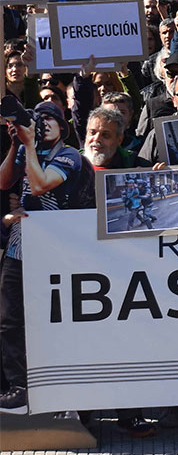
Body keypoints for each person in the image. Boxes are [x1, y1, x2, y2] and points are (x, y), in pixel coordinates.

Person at [0, 101, 88, 414]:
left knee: (51, 320)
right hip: (19, 245)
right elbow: (3, 181)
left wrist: (29, 147)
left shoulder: (69, 155)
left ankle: (61, 391)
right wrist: (16, 144)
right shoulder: (26, 150)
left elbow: (39, 185)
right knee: (9, 320)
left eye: (50, 118)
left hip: (54, 249)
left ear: (63, 127)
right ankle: (19, 388)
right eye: (38, 119)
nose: (43, 124)